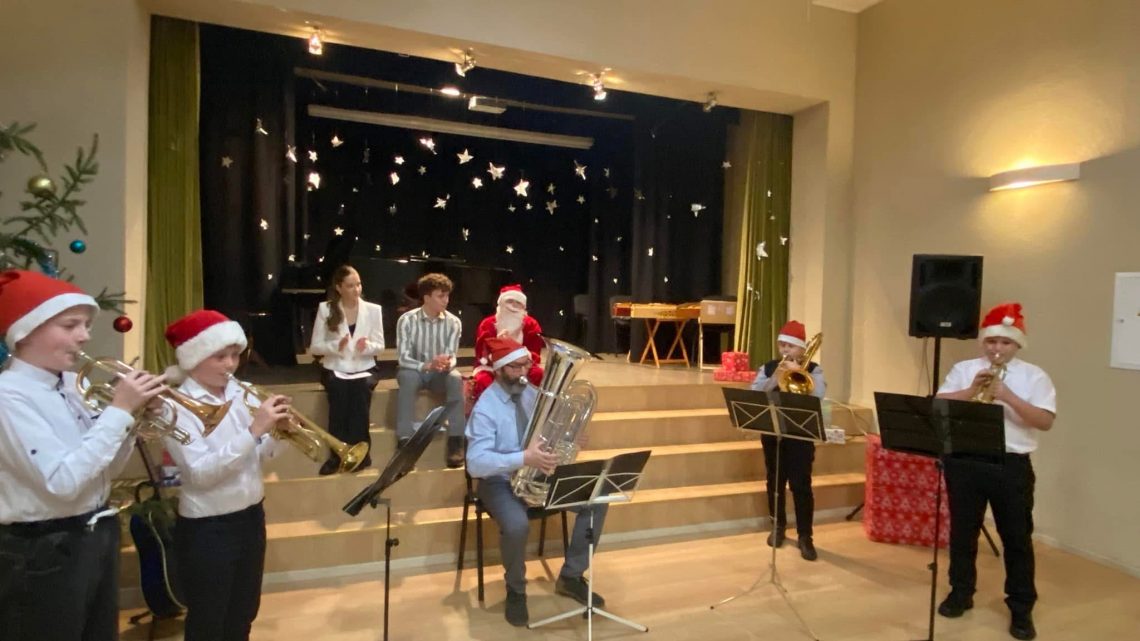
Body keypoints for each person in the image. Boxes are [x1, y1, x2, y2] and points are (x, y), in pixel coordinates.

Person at [0, 269, 166, 641]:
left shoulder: (75, 385)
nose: (85, 336)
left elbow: (100, 469)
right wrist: (119, 411)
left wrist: (131, 422)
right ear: (26, 332)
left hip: (94, 533)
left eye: (86, 325)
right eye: (70, 325)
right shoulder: (9, 396)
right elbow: (62, 482)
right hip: (42, 549)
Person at [162, 309, 292, 641]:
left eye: (234, 355)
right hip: (209, 526)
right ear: (194, 358)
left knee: (243, 614)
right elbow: (200, 473)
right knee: (209, 620)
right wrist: (254, 430)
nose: (231, 365)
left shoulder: (241, 392)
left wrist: (281, 433)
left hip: (251, 516)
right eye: (220, 357)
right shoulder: (174, 406)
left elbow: (261, 455)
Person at [935, 303, 1055, 641]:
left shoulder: (1035, 376)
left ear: (1017, 345)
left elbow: (1045, 421)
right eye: (991, 341)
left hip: (1010, 464)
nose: (997, 348)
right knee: (962, 534)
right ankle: (961, 592)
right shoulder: (964, 369)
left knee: (1016, 538)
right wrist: (971, 391)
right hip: (964, 461)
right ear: (983, 342)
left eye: (1005, 342)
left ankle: (1021, 607)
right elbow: (939, 406)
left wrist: (1008, 396)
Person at [466, 336, 605, 627]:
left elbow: (548, 435)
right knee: (517, 525)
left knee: (596, 500)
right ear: (499, 369)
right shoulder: (486, 408)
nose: (523, 373)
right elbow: (475, 463)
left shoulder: (532, 394)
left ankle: (571, 576)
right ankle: (516, 590)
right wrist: (523, 458)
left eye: (525, 366)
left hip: (539, 474)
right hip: (499, 482)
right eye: (515, 367)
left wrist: (570, 438)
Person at [749, 320, 826, 561]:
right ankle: (778, 526)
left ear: (802, 349)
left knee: (801, 485)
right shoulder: (769, 367)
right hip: (773, 433)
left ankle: (805, 536)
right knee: (774, 480)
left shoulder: (814, 370)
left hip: (800, 435)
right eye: (781, 344)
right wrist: (775, 379)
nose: (785, 350)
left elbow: (819, 394)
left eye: (790, 346)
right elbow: (754, 394)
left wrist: (801, 373)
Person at [309, 265, 383, 475]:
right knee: (339, 392)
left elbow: (380, 346)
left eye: (358, 284)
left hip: (364, 367)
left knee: (360, 393)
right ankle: (337, 455)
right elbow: (315, 347)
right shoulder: (326, 309)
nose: (356, 290)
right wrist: (335, 346)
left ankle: (362, 455)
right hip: (336, 367)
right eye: (350, 286)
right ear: (339, 287)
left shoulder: (373, 310)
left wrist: (366, 347)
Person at [395, 272, 465, 468]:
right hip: (415, 370)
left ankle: (456, 441)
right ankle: (404, 441)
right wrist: (426, 365)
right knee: (407, 377)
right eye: (440, 296)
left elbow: (452, 355)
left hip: (439, 373)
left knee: (455, 378)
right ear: (426, 297)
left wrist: (446, 364)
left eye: (447, 295)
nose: (446, 300)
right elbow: (403, 358)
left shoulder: (454, 322)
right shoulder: (407, 320)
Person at [471, 284, 545, 403]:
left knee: (538, 374)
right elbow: (482, 355)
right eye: (510, 301)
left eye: (518, 303)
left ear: (523, 307)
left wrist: (517, 356)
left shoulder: (531, 325)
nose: (513, 306)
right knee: (482, 380)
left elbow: (535, 355)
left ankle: (528, 411)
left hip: (522, 367)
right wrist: (498, 346)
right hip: (493, 367)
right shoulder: (487, 324)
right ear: (501, 303)